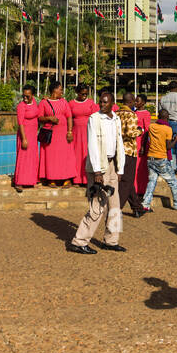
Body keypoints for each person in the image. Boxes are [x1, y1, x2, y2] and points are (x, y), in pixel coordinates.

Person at [69, 88, 127, 254]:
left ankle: (111, 240)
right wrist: (97, 172)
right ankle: (79, 241)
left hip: (112, 166)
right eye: (101, 101)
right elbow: (92, 146)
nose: (101, 104)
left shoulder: (116, 119)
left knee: (115, 206)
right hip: (98, 167)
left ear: (112, 104)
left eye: (105, 101)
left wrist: (120, 169)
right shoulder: (94, 119)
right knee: (97, 205)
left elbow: (119, 144)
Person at [140, 108, 177, 212]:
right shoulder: (167, 129)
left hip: (150, 158)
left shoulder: (152, 126)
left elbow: (146, 136)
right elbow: (168, 146)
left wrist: (143, 147)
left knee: (151, 182)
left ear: (159, 116)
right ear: (167, 118)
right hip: (161, 159)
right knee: (173, 182)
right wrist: (176, 139)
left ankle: (145, 204)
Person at [38, 80, 75, 187]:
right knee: (51, 157)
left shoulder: (64, 102)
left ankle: (67, 178)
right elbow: (40, 118)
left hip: (63, 134)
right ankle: (51, 179)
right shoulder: (43, 103)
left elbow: (69, 117)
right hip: (51, 134)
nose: (62, 91)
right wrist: (49, 118)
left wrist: (69, 131)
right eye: (60, 89)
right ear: (54, 90)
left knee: (65, 155)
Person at [116, 92, 146, 216]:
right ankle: (117, 208)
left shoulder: (116, 113)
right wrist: (140, 130)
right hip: (129, 150)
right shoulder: (132, 115)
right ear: (131, 101)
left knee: (126, 180)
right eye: (134, 101)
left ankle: (137, 207)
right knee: (127, 181)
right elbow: (130, 133)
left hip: (117, 150)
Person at [68, 84, 99, 186]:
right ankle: (76, 179)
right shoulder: (71, 103)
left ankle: (87, 179)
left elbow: (96, 117)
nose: (84, 96)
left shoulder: (90, 103)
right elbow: (69, 118)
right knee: (76, 155)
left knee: (88, 154)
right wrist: (69, 132)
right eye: (82, 94)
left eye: (86, 94)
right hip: (76, 132)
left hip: (88, 132)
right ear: (77, 93)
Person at [12, 85, 40, 192]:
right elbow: (20, 124)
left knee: (32, 157)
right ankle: (19, 181)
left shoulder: (35, 104)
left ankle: (30, 180)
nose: (25, 98)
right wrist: (23, 138)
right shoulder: (21, 106)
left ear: (33, 95)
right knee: (23, 157)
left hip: (33, 135)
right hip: (25, 134)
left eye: (27, 96)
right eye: (23, 96)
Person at [131, 93, 152, 208]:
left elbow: (147, 131)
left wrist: (143, 146)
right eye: (135, 101)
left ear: (143, 102)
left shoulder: (146, 114)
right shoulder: (134, 113)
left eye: (138, 101)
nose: (136, 103)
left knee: (141, 168)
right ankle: (134, 188)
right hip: (134, 141)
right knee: (134, 166)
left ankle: (141, 189)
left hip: (141, 143)